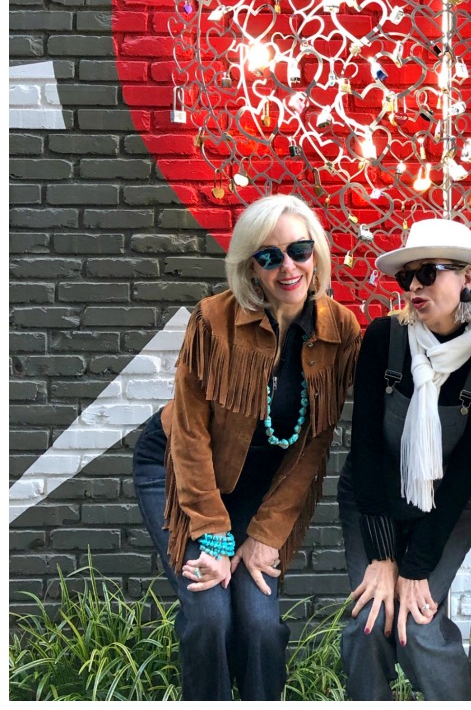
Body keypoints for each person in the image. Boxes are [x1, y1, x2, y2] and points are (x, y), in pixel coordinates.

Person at [132, 194, 361, 700]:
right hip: (178, 469)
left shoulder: (338, 330)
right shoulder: (213, 319)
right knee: (210, 616)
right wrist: (213, 535)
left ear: (317, 254)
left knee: (259, 625)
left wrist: (265, 536)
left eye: (299, 250)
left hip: (261, 488)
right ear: (250, 267)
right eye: (269, 256)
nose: (288, 267)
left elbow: (310, 448)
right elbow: (189, 435)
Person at [338, 217, 471, 700]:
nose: (415, 286)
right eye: (407, 277)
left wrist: (415, 569)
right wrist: (383, 557)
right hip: (371, 496)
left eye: (429, 273)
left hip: (448, 507)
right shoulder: (382, 337)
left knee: (418, 627)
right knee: (369, 622)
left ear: (467, 277)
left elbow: (464, 475)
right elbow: (365, 450)